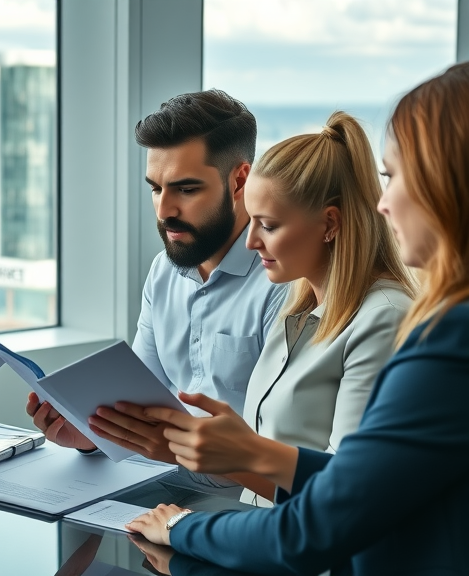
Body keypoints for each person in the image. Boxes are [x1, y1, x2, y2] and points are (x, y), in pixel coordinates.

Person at [127, 62, 469, 576]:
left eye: (395, 177)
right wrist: (251, 454)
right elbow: (355, 485)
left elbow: (319, 524)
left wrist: (182, 528)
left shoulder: (444, 335)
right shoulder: (302, 305)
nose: (381, 204)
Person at [89, 111, 415, 506]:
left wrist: (203, 459)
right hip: (264, 531)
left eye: (269, 226)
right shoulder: (301, 307)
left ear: (330, 224)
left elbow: (348, 494)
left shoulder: (383, 317)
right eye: (254, 222)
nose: (250, 242)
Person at [28, 90, 287, 468]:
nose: (165, 211)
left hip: (242, 505)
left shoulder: (282, 283)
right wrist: (90, 436)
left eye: (185, 189)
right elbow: (137, 407)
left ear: (238, 180)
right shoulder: (163, 271)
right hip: (156, 486)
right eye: (155, 188)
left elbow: (287, 458)